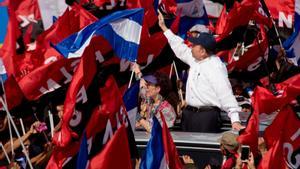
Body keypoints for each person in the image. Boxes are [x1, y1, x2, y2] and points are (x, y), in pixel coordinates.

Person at [158, 11, 243, 132]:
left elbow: (224, 92)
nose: (191, 47)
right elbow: (180, 48)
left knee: (202, 150)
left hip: (206, 116)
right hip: (189, 114)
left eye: (194, 45)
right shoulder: (195, 59)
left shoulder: (215, 66)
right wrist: (164, 28)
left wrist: (235, 119)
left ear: (202, 51)